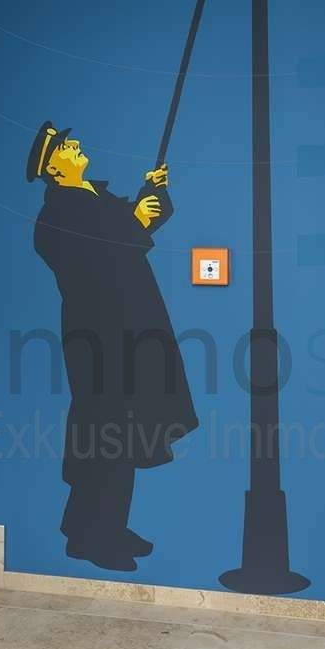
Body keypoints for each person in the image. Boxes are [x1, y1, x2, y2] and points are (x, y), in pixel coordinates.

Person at [27, 122, 198, 570]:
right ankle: (94, 539)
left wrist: (152, 194)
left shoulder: (95, 199)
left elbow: (135, 228)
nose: (74, 145)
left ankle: (94, 525)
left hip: (129, 332)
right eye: (64, 146)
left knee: (122, 432)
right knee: (108, 436)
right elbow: (97, 258)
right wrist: (134, 221)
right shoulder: (57, 216)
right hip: (101, 340)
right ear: (52, 168)